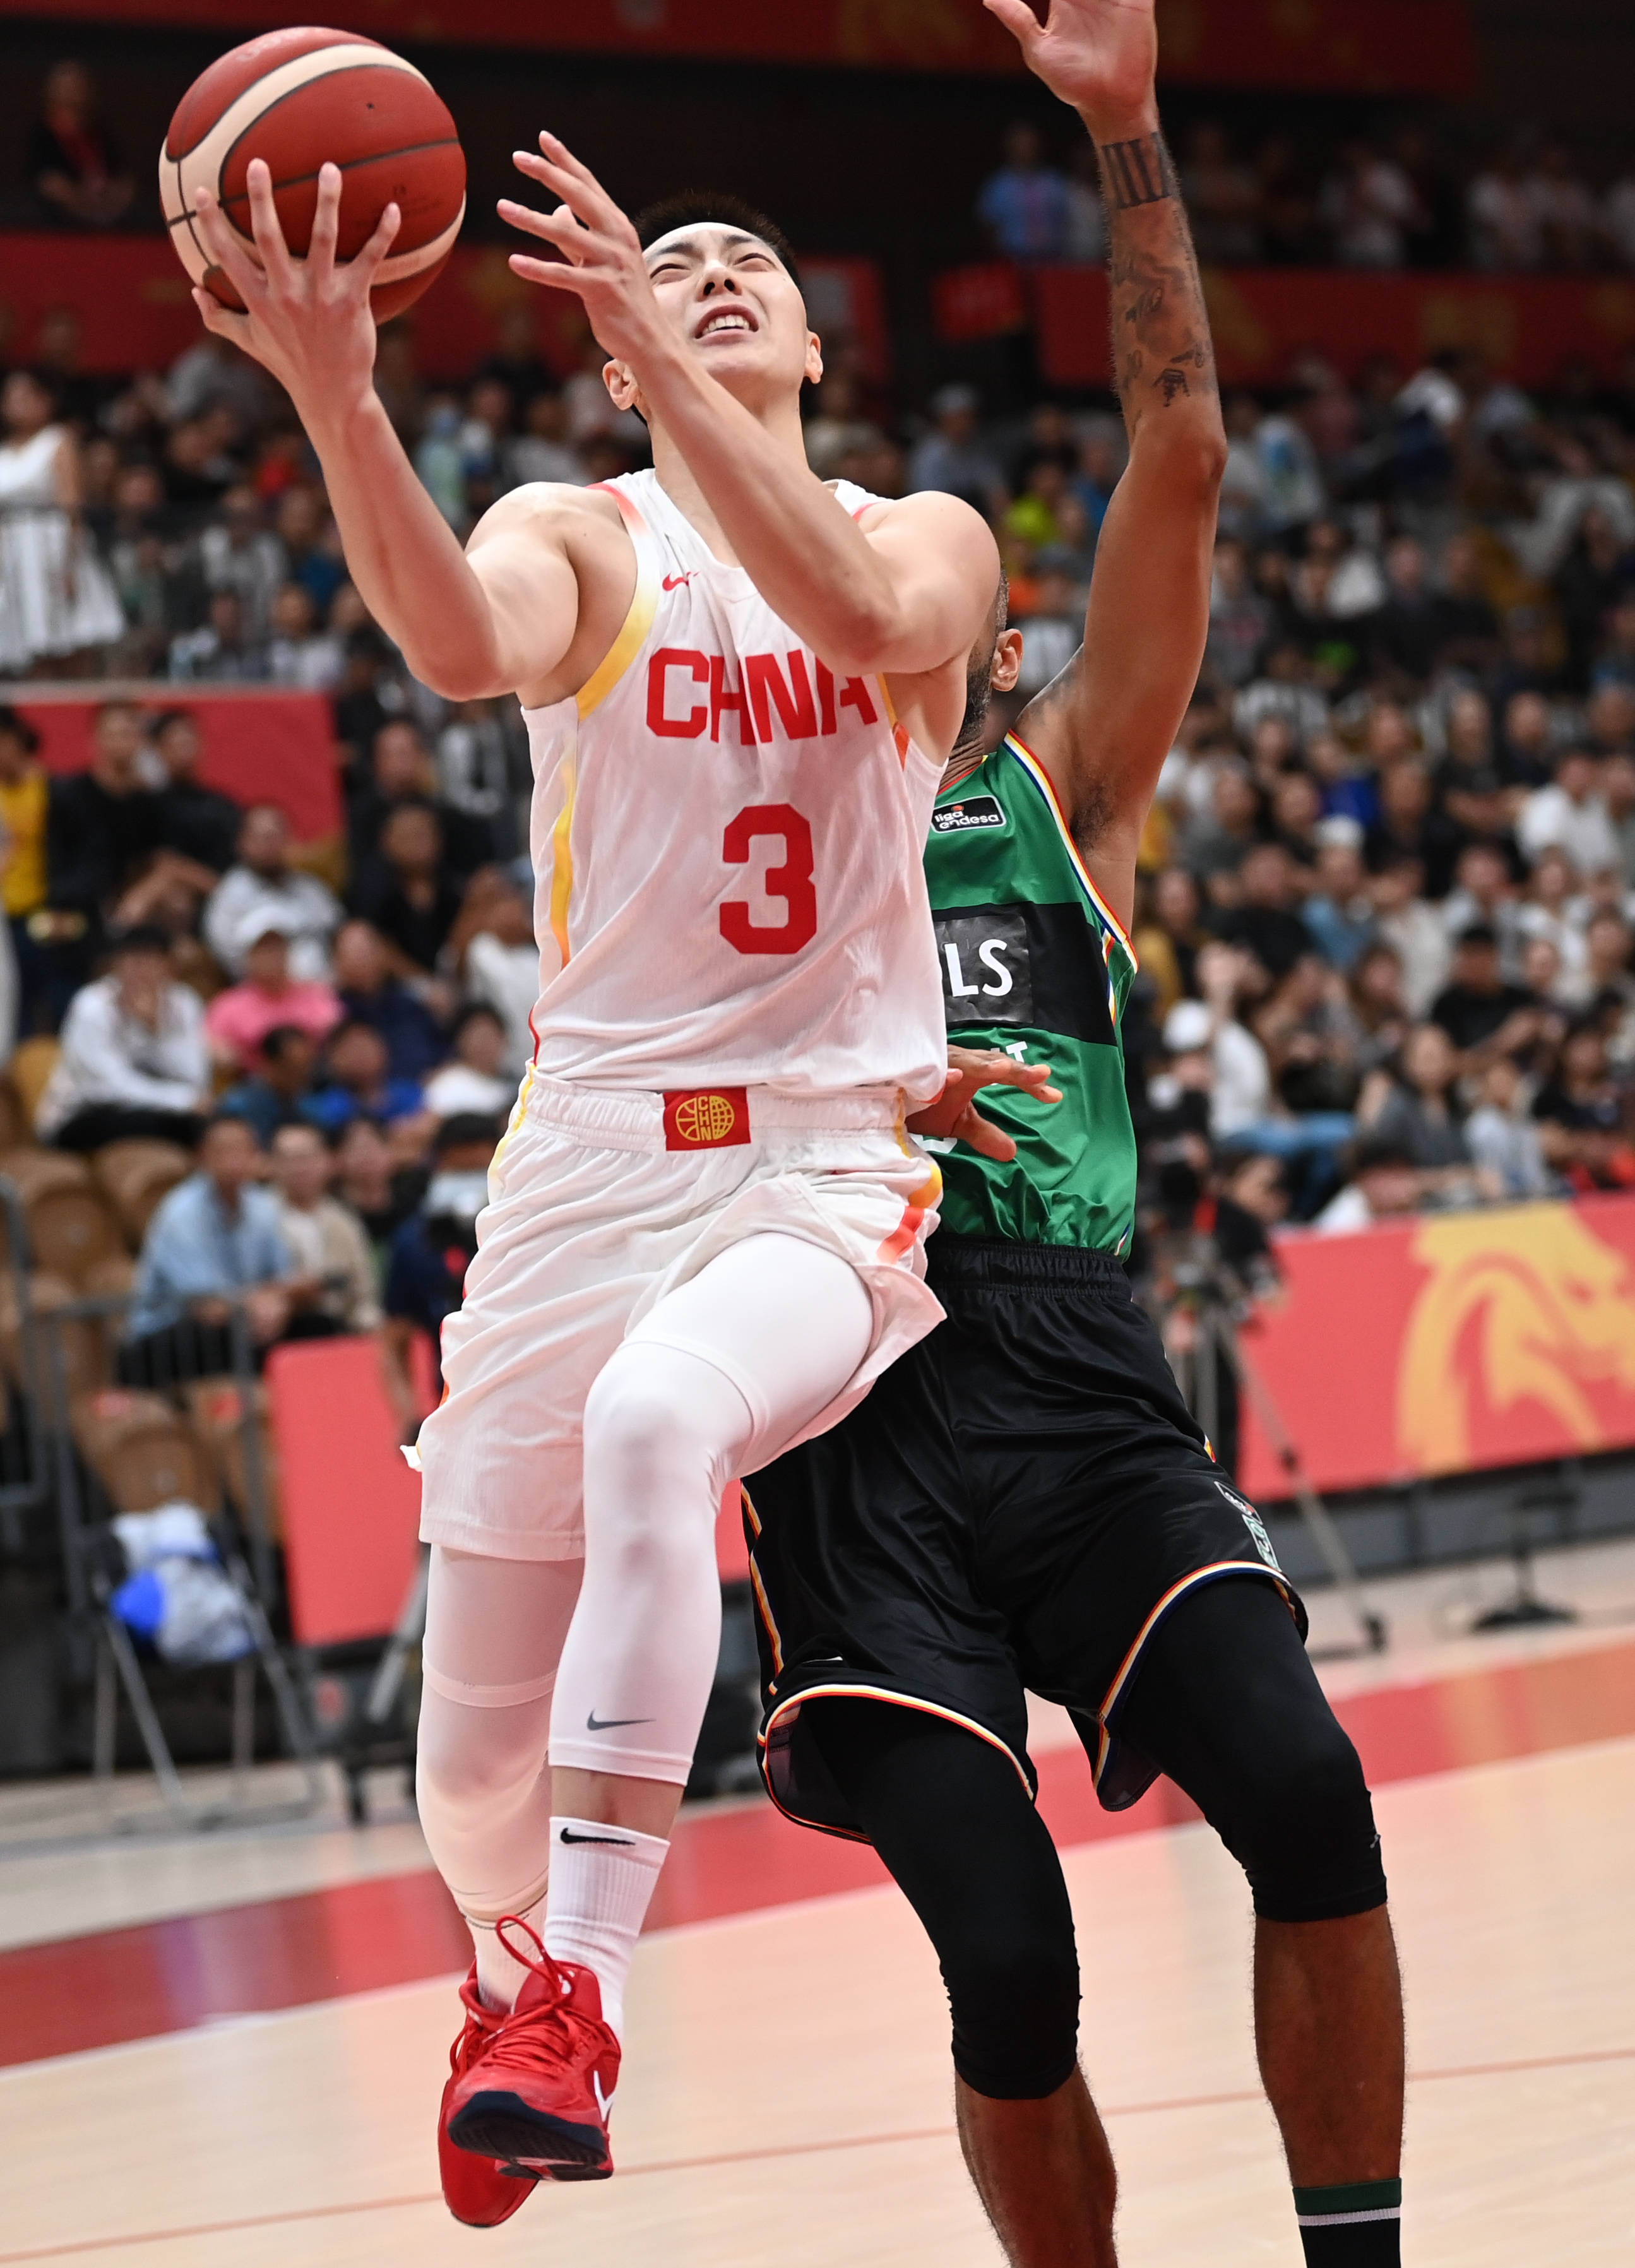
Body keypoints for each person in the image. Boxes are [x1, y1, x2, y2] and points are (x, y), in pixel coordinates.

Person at [188, 129, 1006, 2218]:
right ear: (621, 370)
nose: (717, 271)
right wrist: (341, 396)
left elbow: (856, 611)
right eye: (681, 265)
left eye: (754, 265)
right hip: (583, 1168)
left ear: (809, 345)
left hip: (822, 1159)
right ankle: (497, 1979)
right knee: (468, 1763)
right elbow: (460, 643)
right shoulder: (578, 527)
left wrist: (653, 323)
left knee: (661, 1426)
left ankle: (580, 1999)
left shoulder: (922, 533)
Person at [741, 9, 1405, 2268]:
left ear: (991, 627)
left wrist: (1124, 130)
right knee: (1010, 1963)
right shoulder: (739, 825)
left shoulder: (1062, 789)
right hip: (843, 1390)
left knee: (1301, 1786)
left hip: (1070, 1366)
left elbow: (1183, 448)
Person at [122, 1113, 301, 1385]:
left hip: (239, 1319)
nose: (234, 1159)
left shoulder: (262, 1205)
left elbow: (284, 1277)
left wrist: (278, 1302)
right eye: (224, 1150)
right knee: (222, 1335)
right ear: (202, 1156)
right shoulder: (180, 1213)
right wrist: (261, 1303)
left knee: (313, 1324)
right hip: (168, 1337)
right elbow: (206, 1305)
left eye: (242, 1148)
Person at [35, 925, 210, 1151]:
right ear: (115, 964)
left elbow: (195, 1076)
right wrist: (182, 1101)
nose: (139, 971)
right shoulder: (92, 1005)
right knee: (160, 1123)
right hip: (84, 1112)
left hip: (158, 1107)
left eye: (149, 961)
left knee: (210, 1121)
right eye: (132, 961)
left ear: (169, 965)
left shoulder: (184, 1002)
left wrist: (154, 1029)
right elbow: (107, 1087)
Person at [0, 369, 125, 677]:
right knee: (31, 646)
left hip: (51, 548)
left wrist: (70, 565)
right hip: (14, 554)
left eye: (26, 397)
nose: (17, 405)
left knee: (69, 639)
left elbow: (72, 506)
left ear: (45, 401)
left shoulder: (57, 440)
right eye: (11, 398)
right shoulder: (3, 450)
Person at [203, 804, 343, 982]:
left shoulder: (311, 889)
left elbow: (339, 935)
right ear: (242, 843)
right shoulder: (228, 896)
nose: (269, 844)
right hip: (263, 992)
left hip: (324, 990)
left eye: (276, 836)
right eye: (261, 837)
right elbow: (229, 959)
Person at [268, 1120, 381, 1334]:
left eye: (306, 1158)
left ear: (326, 1162)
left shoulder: (344, 1221)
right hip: (279, 1331)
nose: (299, 1168)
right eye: (289, 1159)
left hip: (339, 1331)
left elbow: (365, 1292)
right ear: (272, 1164)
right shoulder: (259, 1217)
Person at [203, 921, 343, 1071]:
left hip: (315, 1077)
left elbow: (337, 1034)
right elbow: (217, 1052)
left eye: (278, 948)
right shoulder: (227, 1005)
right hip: (253, 1080)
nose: (273, 956)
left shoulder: (316, 994)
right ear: (248, 956)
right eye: (264, 950)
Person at [423, 1003, 517, 1119]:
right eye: (478, 1036)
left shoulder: (517, 1086)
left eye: (490, 1036)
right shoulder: (447, 1084)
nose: (485, 1044)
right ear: (460, 1040)